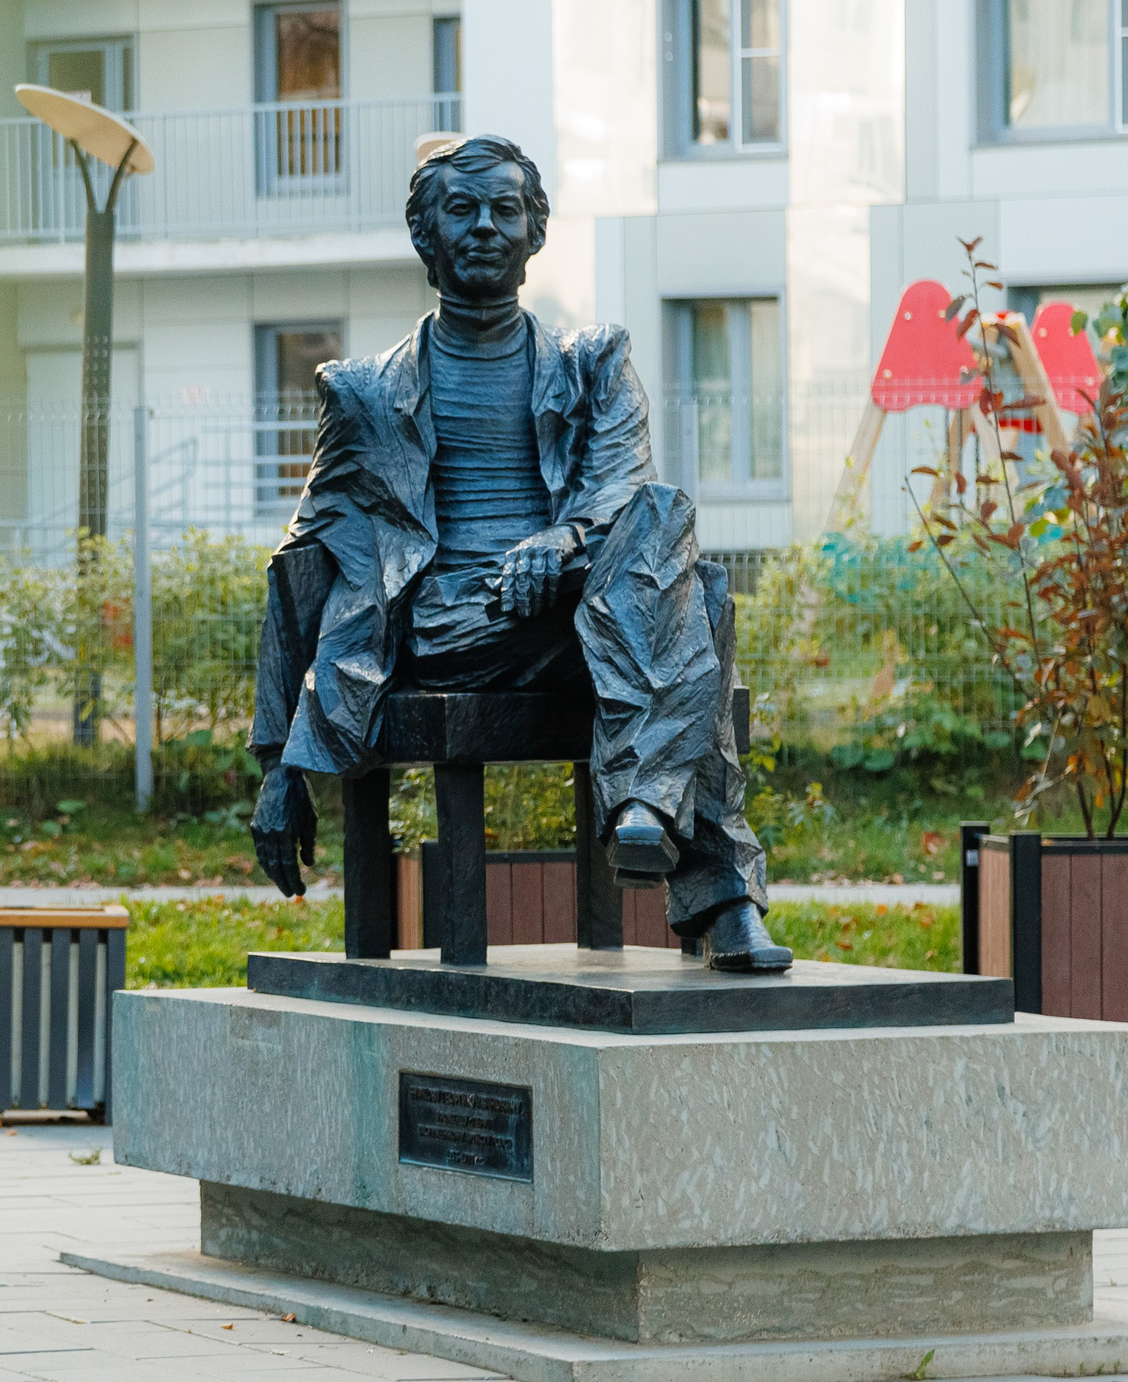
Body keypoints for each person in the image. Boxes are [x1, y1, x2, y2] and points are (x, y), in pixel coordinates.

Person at [247, 134, 789, 973]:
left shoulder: (592, 363)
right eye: (460, 211)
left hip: (585, 610)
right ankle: (715, 893)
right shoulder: (361, 391)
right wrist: (281, 760)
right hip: (453, 620)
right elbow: (304, 560)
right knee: (698, 608)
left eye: (506, 210)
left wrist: (563, 539)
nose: (485, 228)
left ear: (535, 233)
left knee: (663, 522)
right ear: (424, 236)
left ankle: (653, 815)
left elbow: (619, 481)